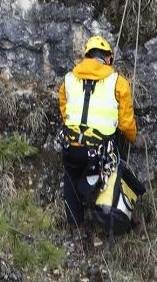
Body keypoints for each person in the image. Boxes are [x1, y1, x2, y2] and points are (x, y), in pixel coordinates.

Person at [57, 34, 139, 231]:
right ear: (108, 57)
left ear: (86, 57)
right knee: (114, 172)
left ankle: (77, 225)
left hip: (72, 147)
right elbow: (126, 122)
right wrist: (134, 139)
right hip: (99, 152)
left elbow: (65, 111)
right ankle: (111, 220)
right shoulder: (118, 82)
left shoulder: (68, 80)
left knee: (70, 175)